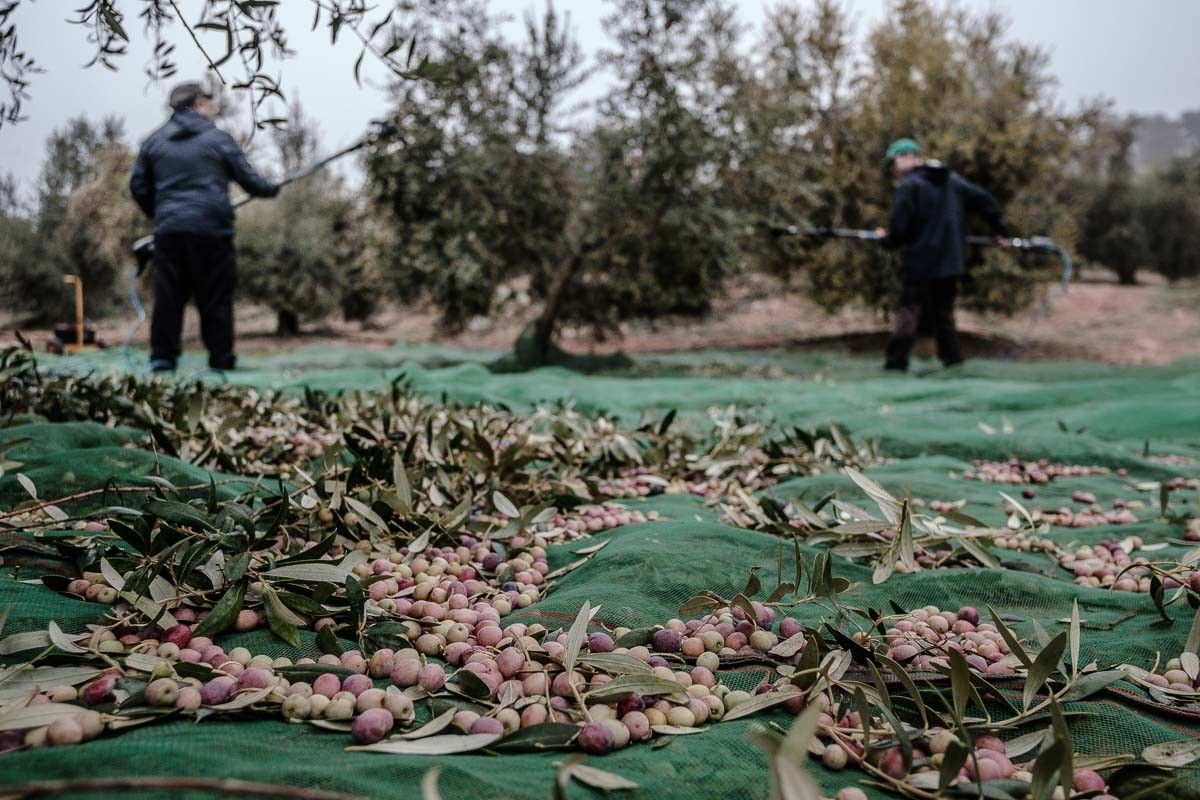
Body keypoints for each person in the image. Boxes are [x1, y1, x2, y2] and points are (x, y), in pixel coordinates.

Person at [130, 81, 278, 373]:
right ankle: (221, 360)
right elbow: (249, 180)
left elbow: (138, 187)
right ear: (198, 104)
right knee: (215, 298)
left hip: (170, 232)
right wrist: (270, 189)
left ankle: (162, 359)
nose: (211, 108)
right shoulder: (218, 139)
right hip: (212, 232)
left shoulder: (153, 142)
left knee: (169, 297)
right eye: (208, 102)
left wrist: (161, 213)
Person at [875, 138, 1009, 371]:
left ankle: (896, 364)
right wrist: (1000, 231)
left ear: (907, 157)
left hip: (918, 261)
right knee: (944, 316)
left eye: (894, 163)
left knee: (909, 313)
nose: (894, 170)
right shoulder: (952, 181)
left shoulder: (908, 186)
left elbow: (900, 229)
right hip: (950, 261)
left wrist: (885, 240)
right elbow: (985, 200)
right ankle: (952, 361)